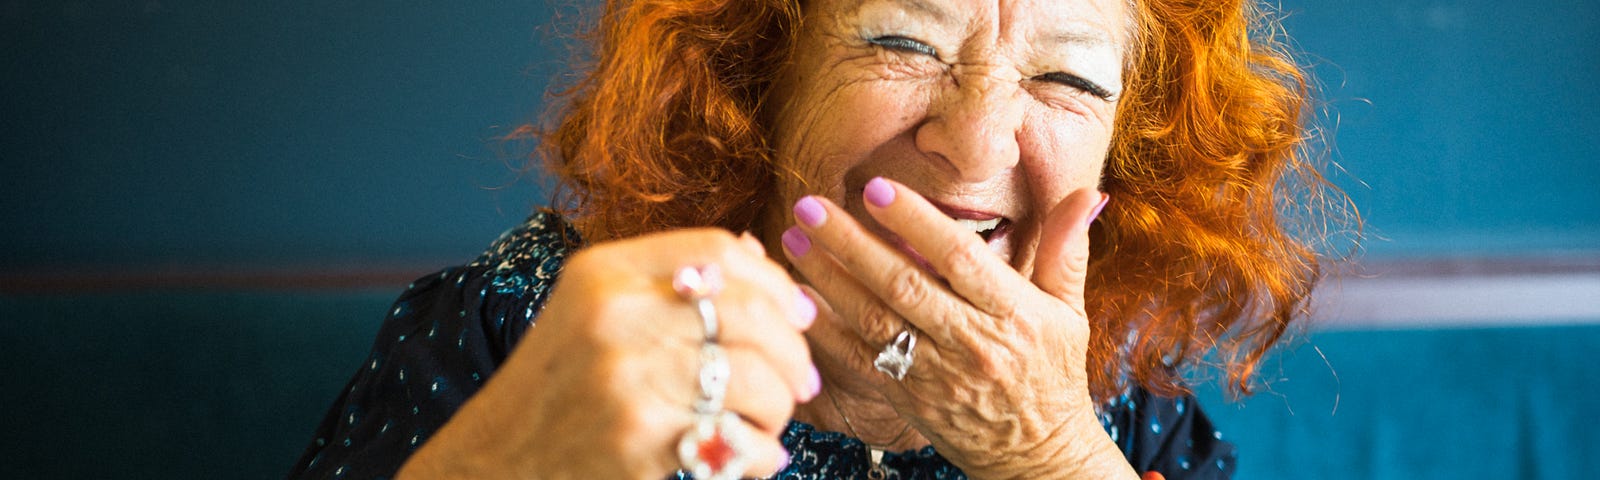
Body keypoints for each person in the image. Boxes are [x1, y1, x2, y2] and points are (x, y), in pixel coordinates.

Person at [290, 0, 1348, 478]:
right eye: (898, 40)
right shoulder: (523, 323)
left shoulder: (1122, 401)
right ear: (759, 82)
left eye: (1065, 78)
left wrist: (1050, 456)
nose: (973, 147)